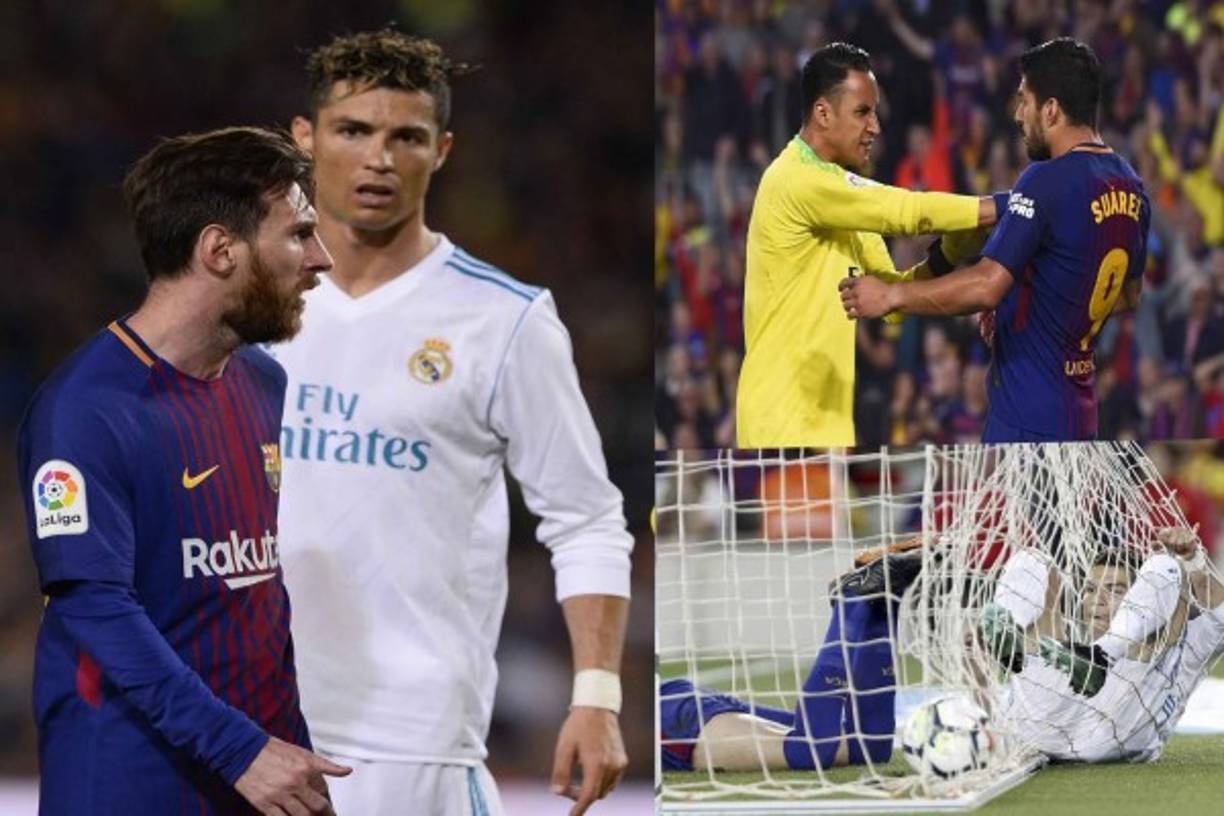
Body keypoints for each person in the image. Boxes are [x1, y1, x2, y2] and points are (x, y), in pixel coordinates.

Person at [268, 30, 634, 816]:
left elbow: (587, 520)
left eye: (406, 137)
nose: (379, 159)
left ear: (442, 151)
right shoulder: (245, 310)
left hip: (414, 744)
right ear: (305, 139)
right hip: (246, 726)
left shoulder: (503, 319)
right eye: (353, 131)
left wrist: (597, 696)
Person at [16, 127, 349, 815]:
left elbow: (253, 595)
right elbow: (94, 607)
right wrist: (238, 749)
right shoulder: (84, 410)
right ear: (219, 250)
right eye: (298, 234)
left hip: (261, 771)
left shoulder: (260, 382)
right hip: (128, 780)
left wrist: (285, 751)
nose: (321, 259)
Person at [660, 528, 1222, 771]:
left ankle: (874, 604)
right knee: (845, 750)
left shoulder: (1183, 636)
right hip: (676, 717)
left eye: (1115, 591)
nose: (1101, 600)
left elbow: (1213, 609)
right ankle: (870, 606)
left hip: (672, 713)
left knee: (849, 748)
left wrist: (1194, 561)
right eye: (1095, 590)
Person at [839, 38, 1151, 443]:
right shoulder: (1131, 184)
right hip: (1081, 415)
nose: (1019, 115)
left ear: (1051, 109)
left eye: (1025, 101)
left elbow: (986, 286)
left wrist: (892, 295)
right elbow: (1128, 296)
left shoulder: (1045, 179)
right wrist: (1022, 310)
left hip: (1026, 421)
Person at [735, 41, 1003, 448]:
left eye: (874, 112)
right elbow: (906, 211)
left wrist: (947, 254)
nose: (875, 127)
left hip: (828, 428)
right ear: (823, 113)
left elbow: (891, 301)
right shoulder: (794, 180)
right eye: (863, 112)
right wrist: (1008, 206)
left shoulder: (839, 198)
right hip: (781, 422)